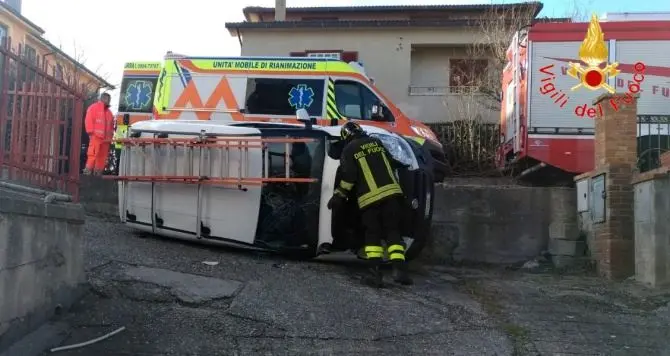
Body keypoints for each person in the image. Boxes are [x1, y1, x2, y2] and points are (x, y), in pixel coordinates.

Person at [327, 121, 413, 287]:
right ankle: (400, 271)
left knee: (372, 235)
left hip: (370, 199)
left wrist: (338, 196)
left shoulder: (349, 149)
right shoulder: (377, 143)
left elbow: (349, 178)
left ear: (346, 136)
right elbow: (392, 162)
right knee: (393, 232)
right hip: (392, 195)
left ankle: (375, 275)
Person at [83, 93, 114, 175]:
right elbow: (88, 120)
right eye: (107, 99)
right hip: (96, 136)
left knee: (102, 157)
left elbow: (111, 126)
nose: (108, 101)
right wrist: (90, 132)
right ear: (102, 98)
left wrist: (110, 137)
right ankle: (88, 170)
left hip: (106, 139)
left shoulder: (109, 113)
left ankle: (98, 172)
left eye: (109, 99)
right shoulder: (93, 108)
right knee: (93, 154)